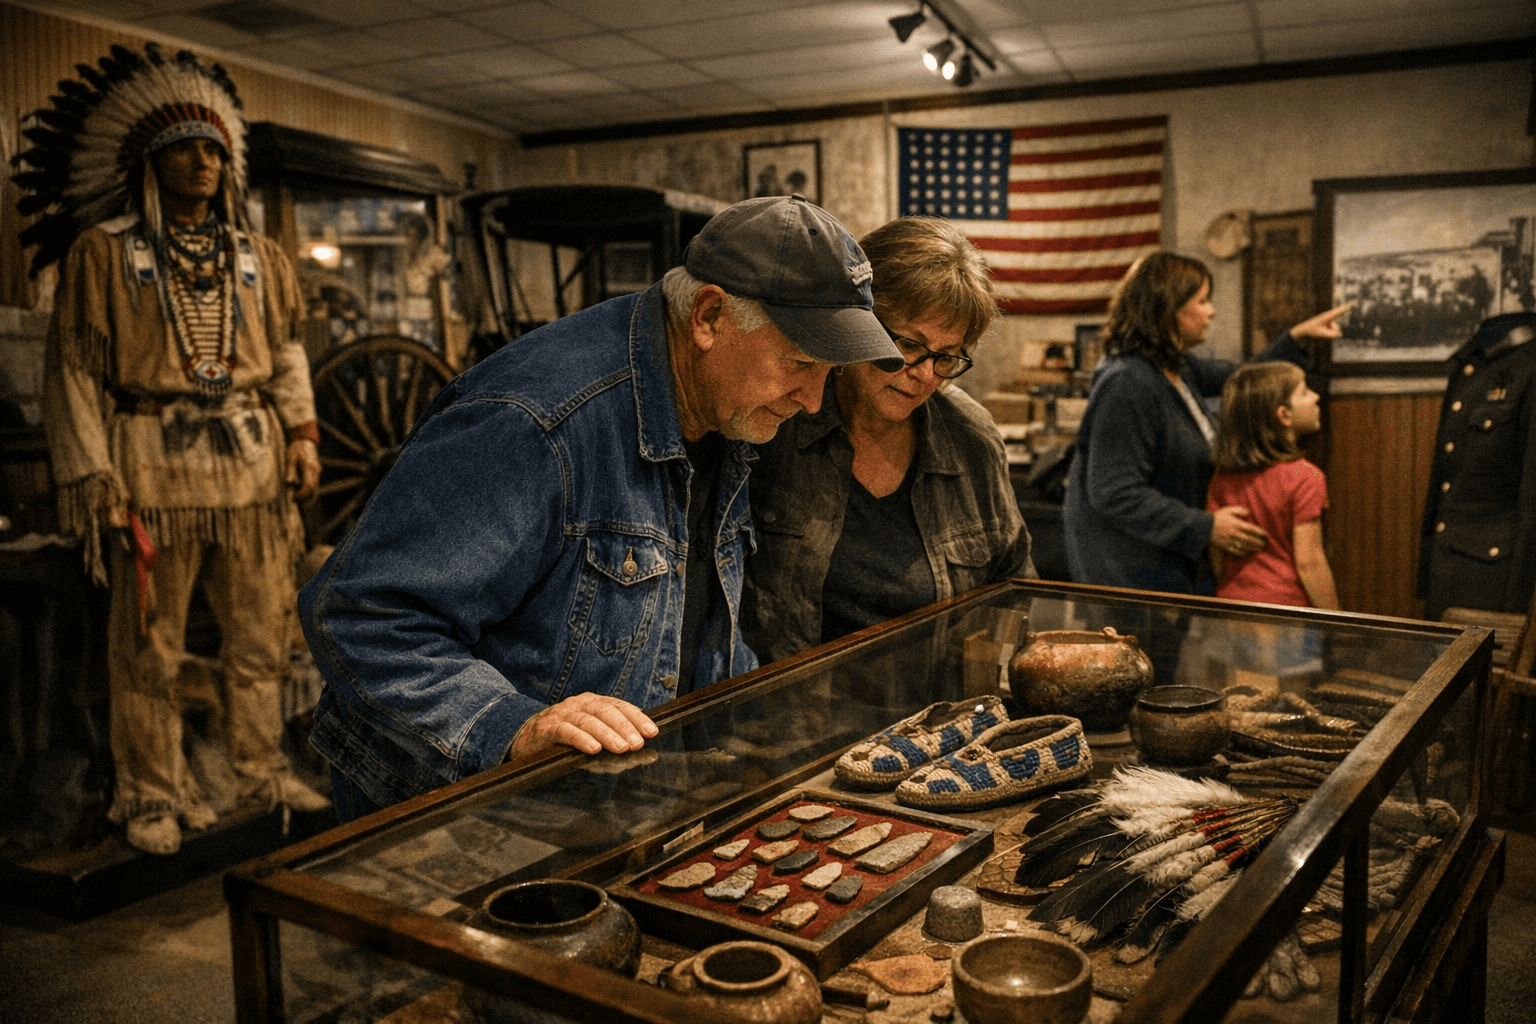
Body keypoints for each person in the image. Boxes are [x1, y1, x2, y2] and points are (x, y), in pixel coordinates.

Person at [298, 195, 905, 822]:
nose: (811, 402)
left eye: (827, 373)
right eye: (802, 363)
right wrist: (513, 727)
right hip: (452, 828)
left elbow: (687, 620)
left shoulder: (727, 413)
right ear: (709, 316)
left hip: (603, 811)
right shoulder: (536, 421)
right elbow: (358, 613)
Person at [16, 43, 328, 855]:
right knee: (148, 647)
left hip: (252, 474)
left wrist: (301, 433)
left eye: (217, 147)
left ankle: (259, 770)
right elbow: (74, 374)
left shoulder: (260, 258)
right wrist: (95, 479)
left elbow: (288, 352)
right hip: (152, 470)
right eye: (188, 147)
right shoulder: (105, 254)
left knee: (261, 637)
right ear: (150, 160)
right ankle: (150, 791)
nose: (206, 161)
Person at [741, 216, 1033, 664]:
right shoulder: (781, 420)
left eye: (946, 357)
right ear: (859, 324)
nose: (923, 374)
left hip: (933, 717)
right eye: (908, 345)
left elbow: (1014, 582)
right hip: (790, 721)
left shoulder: (970, 437)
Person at [1062, 251, 1351, 596]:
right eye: (1202, 301)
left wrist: (1296, 338)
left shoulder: (1175, 367)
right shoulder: (1128, 383)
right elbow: (1114, 491)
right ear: (1169, 307)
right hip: (1128, 576)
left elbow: (1242, 381)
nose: (1211, 310)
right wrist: (1206, 526)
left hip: (1162, 567)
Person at [1207, 362, 1340, 609]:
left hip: (1230, 607)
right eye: (1304, 392)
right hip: (1286, 610)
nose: (1315, 396)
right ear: (1284, 415)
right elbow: (1309, 562)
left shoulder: (1221, 479)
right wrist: (1337, 622)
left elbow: (1217, 557)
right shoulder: (1305, 477)